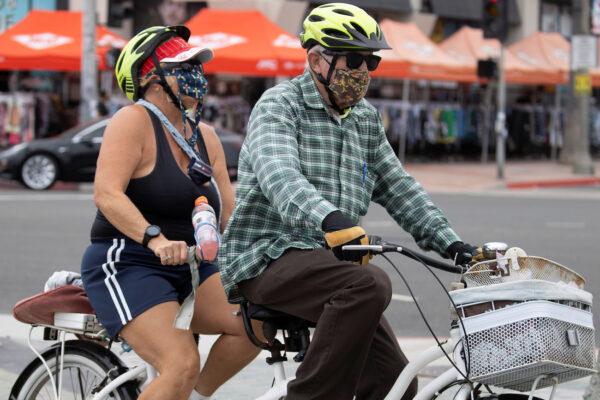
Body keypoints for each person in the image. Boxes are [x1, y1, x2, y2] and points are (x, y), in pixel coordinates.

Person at [219, 3, 479, 400]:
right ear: (316, 59)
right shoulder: (279, 105)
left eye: (370, 62)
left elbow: (399, 187)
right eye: (353, 60)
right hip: (267, 257)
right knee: (368, 282)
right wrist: (329, 219)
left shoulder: (365, 120)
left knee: (397, 384)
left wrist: (452, 243)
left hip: (330, 267)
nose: (362, 72)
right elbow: (280, 175)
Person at [80, 26, 259, 400]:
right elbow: (107, 195)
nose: (196, 73)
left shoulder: (205, 136)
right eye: (184, 66)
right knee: (180, 361)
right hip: (130, 262)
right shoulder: (133, 121)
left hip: (193, 265)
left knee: (257, 323)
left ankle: (189, 395)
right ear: (152, 80)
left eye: (196, 64)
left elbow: (230, 214)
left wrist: (272, 244)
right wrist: (154, 238)